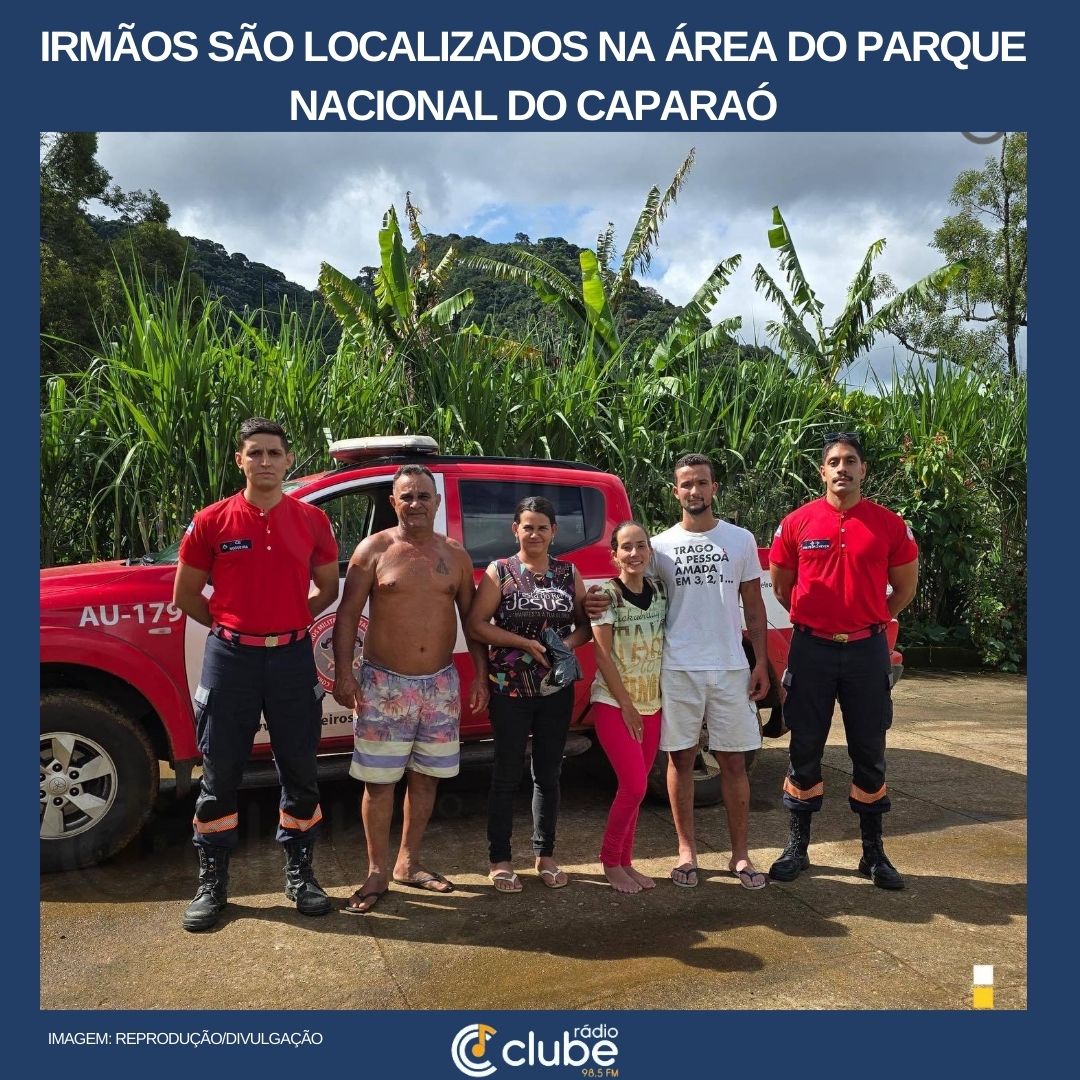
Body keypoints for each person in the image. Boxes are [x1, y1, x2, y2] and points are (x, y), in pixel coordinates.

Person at [173, 417, 339, 932]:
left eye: (274, 453)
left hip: (292, 658)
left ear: (289, 461)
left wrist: (287, 620)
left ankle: (301, 874)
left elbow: (327, 590)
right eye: (255, 453)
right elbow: (185, 596)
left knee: (299, 770)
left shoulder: (312, 521)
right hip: (231, 659)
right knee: (220, 773)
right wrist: (231, 626)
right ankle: (213, 883)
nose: (265, 461)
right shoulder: (212, 520)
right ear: (239, 460)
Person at [586, 453, 771, 890]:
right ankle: (686, 852)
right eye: (686, 484)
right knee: (681, 759)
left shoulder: (740, 540)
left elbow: (755, 606)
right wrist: (592, 602)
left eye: (702, 483)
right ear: (676, 491)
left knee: (733, 762)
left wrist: (760, 660)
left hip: (729, 667)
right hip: (677, 668)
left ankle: (740, 856)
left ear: (714, 488)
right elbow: (628, 585)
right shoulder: (660, 545)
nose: (694, 491)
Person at [332, 464, 489, 914]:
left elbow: (471, 621)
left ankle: (408, 862)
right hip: (384, 685)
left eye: (424, 496)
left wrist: (479, 673)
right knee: (379, 785)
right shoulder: (374, 550)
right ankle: (376, 871)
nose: (415, 504)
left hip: (440, 685)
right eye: (407, 496)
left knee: (426, 779)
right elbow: (347, 616)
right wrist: (345, 672)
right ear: (393, 502)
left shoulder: (455, 555)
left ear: (437, 502)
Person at [768, 432, 919, 889]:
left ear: (862, 470)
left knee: (869, 751)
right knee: (804, 749)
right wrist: (821, 623)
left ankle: (873, 853)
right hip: (811, 649)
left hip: (866, 651)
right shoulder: (795, 523)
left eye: (850, 461)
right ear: (822, 471)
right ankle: (798, 847)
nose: (842, 468)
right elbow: (782, 587)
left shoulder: (890, 525)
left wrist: (870, 620)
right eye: (833, 461)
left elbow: (905, 589)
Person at [465, 496, 591, 893]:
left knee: (549, 774)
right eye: (527, 526)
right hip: (510, 688)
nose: (534, 533)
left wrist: (562, 647)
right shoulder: (499, 571)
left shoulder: (569, 573)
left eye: (542, 527)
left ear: (554, 531)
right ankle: (500, 859)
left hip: (555, 688)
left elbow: (586, 626)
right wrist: (523, 643)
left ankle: (545, 854)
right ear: (514, 530)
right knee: (505, 774)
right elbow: (476, 625)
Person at [589, 522, 667, 894]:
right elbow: (601, 655)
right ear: (614, 554)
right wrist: (627, 707)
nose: (634, 554)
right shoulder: (607, 595)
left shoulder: (660, 590)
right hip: (614, 704)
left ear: (649, 550)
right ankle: (609, 862)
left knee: (634, 788)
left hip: (653, 703)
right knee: (635, 786)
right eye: (626, 547)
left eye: (640, 546)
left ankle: (627, 860)